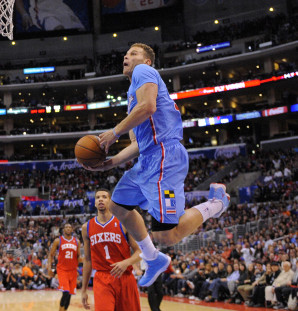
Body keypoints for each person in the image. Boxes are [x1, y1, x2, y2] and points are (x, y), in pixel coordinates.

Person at [85, 43, 230, 287]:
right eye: (126, 52)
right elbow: (137, 144)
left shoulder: (144, 72)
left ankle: (218, 203)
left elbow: (149, 107)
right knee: (118, 207)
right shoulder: (132, 97)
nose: (126, 55)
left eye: (133, 53)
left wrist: (114, 132)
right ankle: (153, 258)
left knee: (167, 235)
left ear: (147, 61)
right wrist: (109, 163)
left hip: (165, 158)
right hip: (147, 160)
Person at [81, 189, 142, 311]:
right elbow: (88, 260)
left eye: (104, 197)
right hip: (102, 279)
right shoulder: (87, 228)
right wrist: (84, 289)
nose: (101, 199)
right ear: (95, 202)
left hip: (124, 278)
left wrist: (127, 262)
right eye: (98, 197)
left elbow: (140, 251)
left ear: (110, 201)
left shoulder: (123, 223)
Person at [47, 223, 81, 311]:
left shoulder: (77, 242)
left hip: (72, 271)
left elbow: (78, 257)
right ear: (63, 229)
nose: (68, 228)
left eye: (70, 227)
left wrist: (86, 262)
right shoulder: (58, 240)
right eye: (66, 227)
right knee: (65, 293)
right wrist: (49, 268)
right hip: (62, 270)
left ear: (72, 230)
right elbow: (51, 255)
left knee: (69, 297)